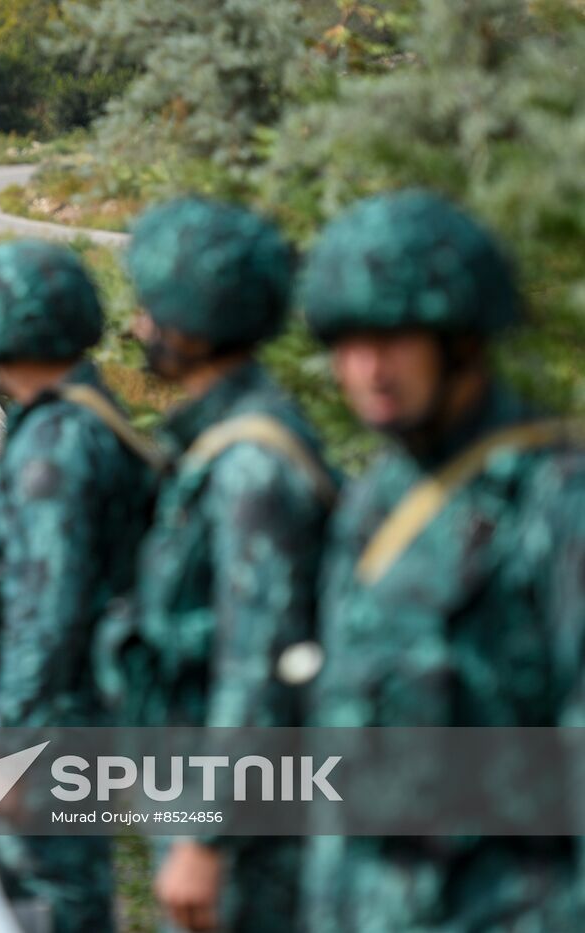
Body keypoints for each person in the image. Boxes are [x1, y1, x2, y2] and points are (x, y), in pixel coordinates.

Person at [297, 190, 585, 932]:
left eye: (393, 338)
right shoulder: (375, 498)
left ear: (461, 340)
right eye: (347, 342)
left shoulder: (553, 501)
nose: (367, 369)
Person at [95, 198, 335, 933]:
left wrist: (207, 837)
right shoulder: (225, 437)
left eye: (152, 310)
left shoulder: (251, 463)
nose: (140, 327)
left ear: (192, 320)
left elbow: (260, 661)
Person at [0, 240, 159, 933]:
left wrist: (10, 751)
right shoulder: (75, 419)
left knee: (44, 900)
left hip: (40, 734)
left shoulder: (57, 446)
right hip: (56, 723)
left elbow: (48, 610)